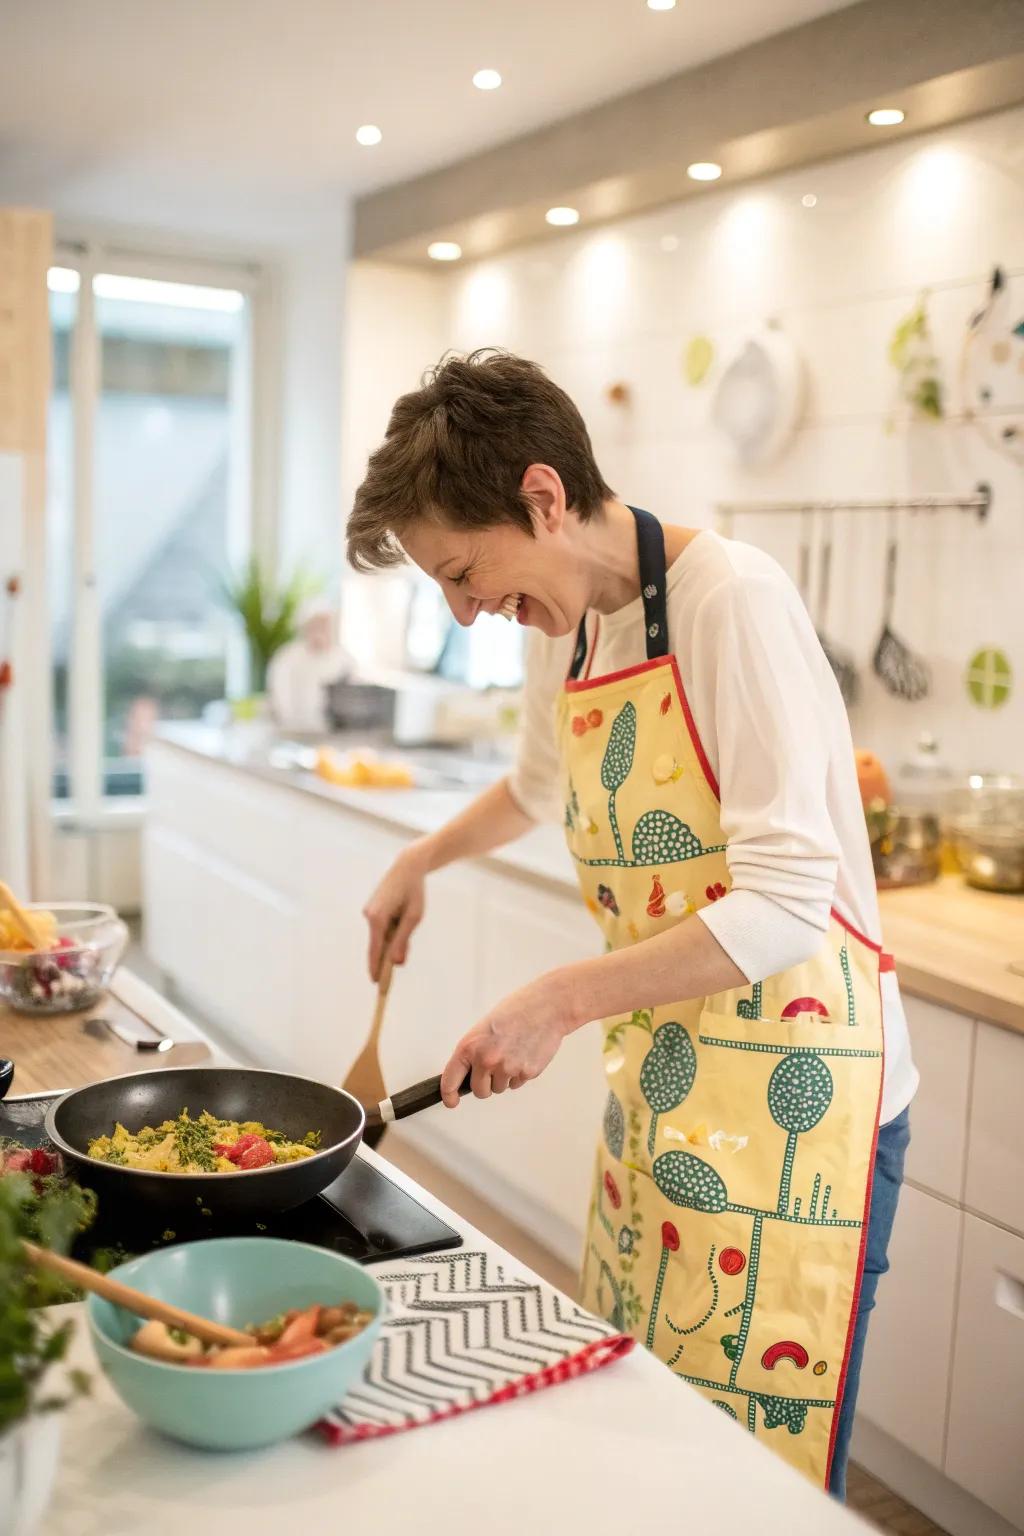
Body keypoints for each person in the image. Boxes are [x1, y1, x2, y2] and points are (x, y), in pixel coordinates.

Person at [346, 350, 916, 1497]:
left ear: (543, 497)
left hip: (799, 1102)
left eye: (464, 574)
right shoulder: (569, 624)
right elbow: (535, 788)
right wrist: (422, 856)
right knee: (653, 1441)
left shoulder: (732, 601)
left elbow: (787, 899)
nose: (466, 615)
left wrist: (555, 999)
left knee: (760, 1482)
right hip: (666, 1074)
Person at [266, 596, 351, 734]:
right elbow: (279, 697)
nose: (321, 631)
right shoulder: (287, 656)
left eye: (325, 625)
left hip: (330, 732)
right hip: (292, 730)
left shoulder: (342, 658)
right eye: (316, 625)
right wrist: (290, 724)